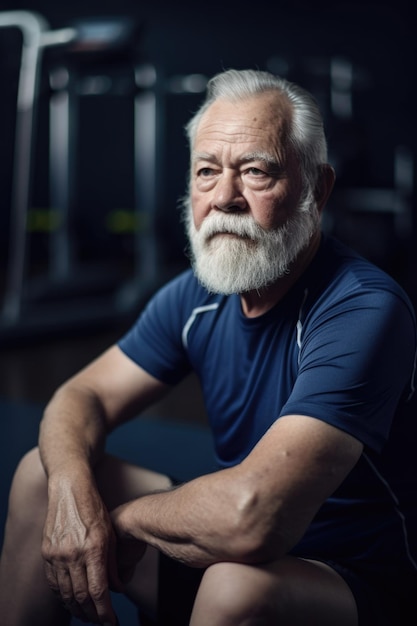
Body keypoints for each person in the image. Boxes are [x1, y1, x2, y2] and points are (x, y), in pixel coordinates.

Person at [0, 68, 416, 626]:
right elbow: (83, 396)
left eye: (255, 172)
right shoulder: (193, 298)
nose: (224, 198)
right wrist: (75, 500)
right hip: (236, 548)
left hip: (355, 582)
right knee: (42, 477)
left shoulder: (363, 308)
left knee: (234, 588)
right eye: (206, 172)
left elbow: (253, 515)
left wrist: (120, 522)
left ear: (317, 190)